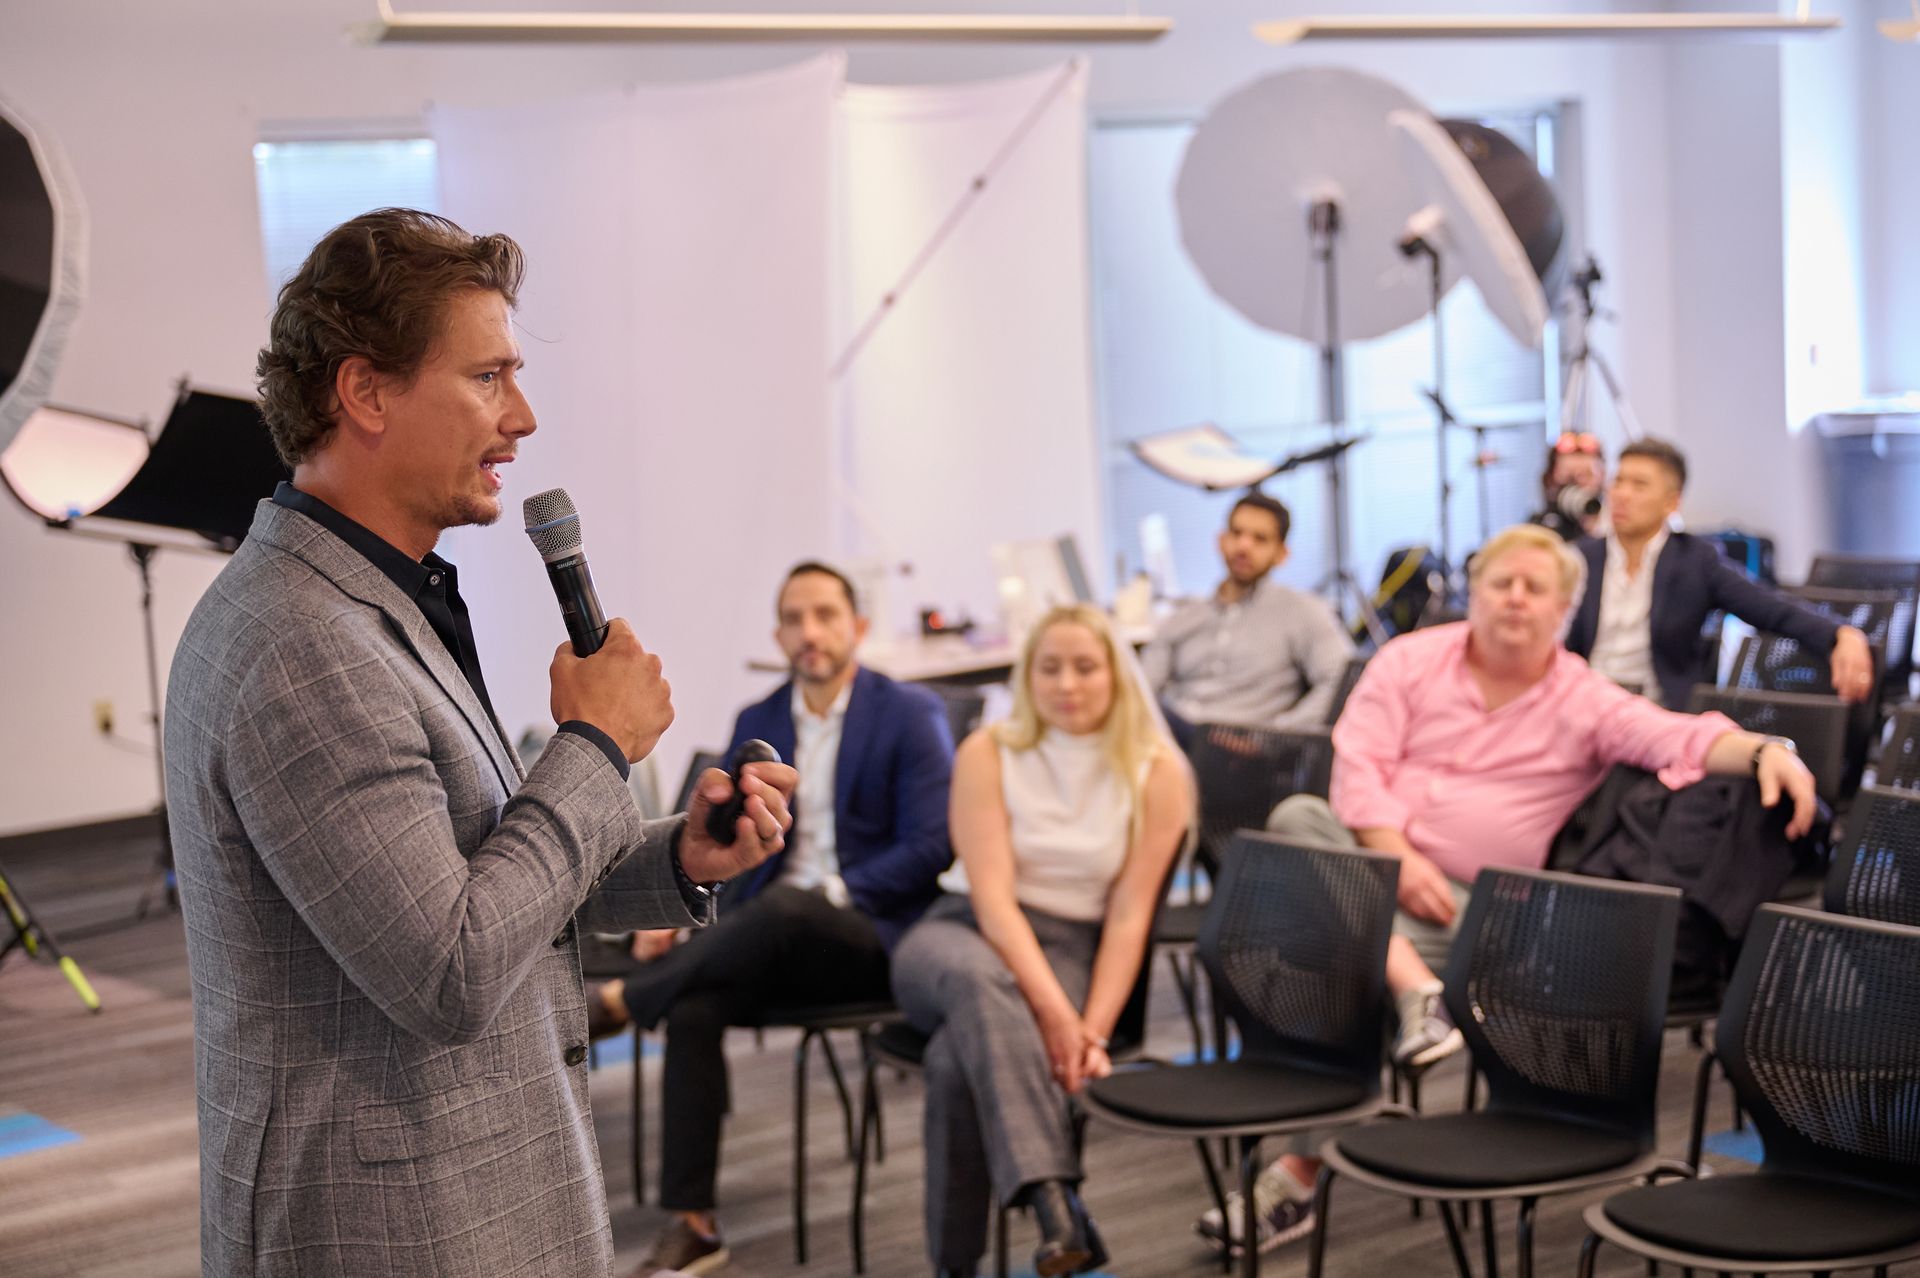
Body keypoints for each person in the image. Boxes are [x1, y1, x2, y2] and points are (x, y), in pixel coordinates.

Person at [164, 208, 795, 1278]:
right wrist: (593, 743)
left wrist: (674, 858)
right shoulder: (299, 646)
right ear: (365, 392)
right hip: (395, 1226)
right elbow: (448, 967)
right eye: (489, 377)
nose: (525, 415)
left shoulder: (372, 600)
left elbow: (490, 887)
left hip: (465, 1189)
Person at [1196, 523, 1818, 1260]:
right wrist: (1399, 855)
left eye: (1535, 589)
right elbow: (1355, 767)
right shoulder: (1408, 660)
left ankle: (1296, 1175)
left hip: (1477, 911)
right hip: (1370, 865)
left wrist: (1768, 750)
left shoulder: (1581, 697)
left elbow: (1673, 737)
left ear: (1563, 610)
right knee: (1298, 817)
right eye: (1501, 583)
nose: (1515, 599)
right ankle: (1413, 992)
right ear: (1475, 591)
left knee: (1331, 946)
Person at [584, 559, 955, 1276]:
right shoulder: (759, 721)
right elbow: (723, 843)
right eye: (794, 618)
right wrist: (680, 911)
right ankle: (693, 1223)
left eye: (825, 615)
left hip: (870, 935)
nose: (809, 632)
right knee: (694, 1005)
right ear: (779, 633)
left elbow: (931, 844)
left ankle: (620, 1004)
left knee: (792, 904)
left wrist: (834, 894)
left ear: (859, 627)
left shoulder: (911, 713)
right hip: (769, 939)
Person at [891, 604, 1193, 1278]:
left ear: (1116, 674)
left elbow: (1128, 917)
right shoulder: (988, 752)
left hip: (1070, 946)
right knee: (976, 983)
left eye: (1086, 667)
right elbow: (994, 902)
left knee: (953, 1062)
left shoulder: (1159, 772)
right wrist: (1057, 1016)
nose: (1067, 684)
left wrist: (1093, 1031)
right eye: (1049, 668)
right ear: (1027, 677)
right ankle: (1055, 1198)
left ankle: (955, 1268)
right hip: (958, 933)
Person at [1565, 436, 1874, 707]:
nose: (1622, 494)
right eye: (1619, 481)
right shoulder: (1583, 558)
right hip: (1584, 706)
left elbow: (1771, 608)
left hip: (1659, 714)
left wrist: (1841, 633)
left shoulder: (1696, 560)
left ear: (1671, 503)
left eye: (1639, 485)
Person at [1141, 491, 1354, 742]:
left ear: (1281, 554)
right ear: (1221, 540)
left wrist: (1276, 734)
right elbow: (1140, 688)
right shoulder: (1183, 615)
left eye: (1259, 539)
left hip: (1242, 748)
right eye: (1236, 533)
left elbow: (1341, 680)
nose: (1244, 546)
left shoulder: (1302, 612)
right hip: (1172, 739)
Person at [1531, 429, 1607, 541]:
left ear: (1602, 476)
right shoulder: (1538, 532)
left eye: (1587, 475)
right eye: (1568, 476)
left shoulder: (1615, 528)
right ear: (1550, 480)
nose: (1579, 484)